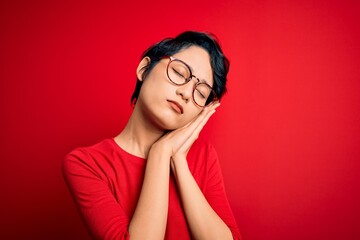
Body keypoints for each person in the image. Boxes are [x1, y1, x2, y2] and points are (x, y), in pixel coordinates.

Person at [63, 31, 241, 240]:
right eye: (180, 72)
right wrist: (160, 153)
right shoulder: (87, 164)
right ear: (144, 68)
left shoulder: (204, 156)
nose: (186, 93)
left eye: (201, 92)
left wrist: (176, 160)